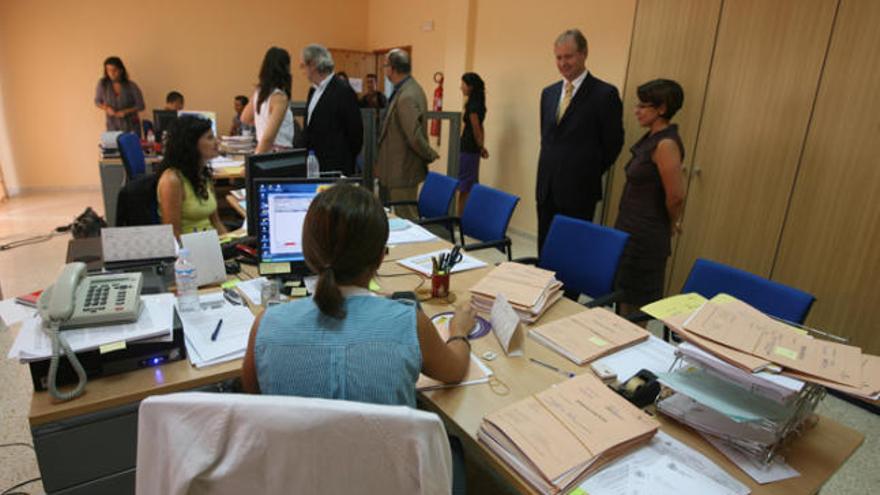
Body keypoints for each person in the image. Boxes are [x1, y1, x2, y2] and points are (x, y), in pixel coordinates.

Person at [241, 184, 471, 405]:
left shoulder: (266, 325)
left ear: (308, 253)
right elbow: (455, 370)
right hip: (384, 446)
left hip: (294, 446)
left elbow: (255, 404)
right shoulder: (408, 323)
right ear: (381, 257)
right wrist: (459, 330)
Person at [536, 29, 624, 254]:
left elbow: (613, 144)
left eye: (569, 56)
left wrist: (587, 169)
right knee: (545, 248)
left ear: (584, 54)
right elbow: (547, 138)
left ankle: (568, 291)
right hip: (547, 188)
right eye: (558, 57)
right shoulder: (549, 93)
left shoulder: (604, 94)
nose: (563, 63)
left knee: (571, 252)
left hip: (579, 189)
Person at [615, 79, 685, 316]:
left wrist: (673, 222)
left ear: (662, 109)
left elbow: (675, 196)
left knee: (637, 303)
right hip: (631, 227)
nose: (637, 110)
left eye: (643, 106)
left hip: (647, 234)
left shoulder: (666, 144)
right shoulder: (650, 138)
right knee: (624, 293)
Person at [375, 48, 439, 220]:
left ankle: (415, 248)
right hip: (394, 169)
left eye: (385, 65)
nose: (384, 69)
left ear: (393, 68)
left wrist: (429, 155)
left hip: (403, 170)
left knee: (407, 219)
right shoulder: (403, 89)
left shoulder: (407, 95)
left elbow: (413, 135)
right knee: (395, 218)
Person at [156, 115, 228, 238]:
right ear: (191, 144)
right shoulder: (172, 180)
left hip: (212, 245)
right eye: (210, 138)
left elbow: (216, 222)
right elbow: (174, 235)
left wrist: (232, 243)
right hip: (190, 251)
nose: (217, 142)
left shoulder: (203, 174)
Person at [301, 44, 364, 176]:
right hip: (314, 166)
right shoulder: (313, 90)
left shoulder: (343, 91)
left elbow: (356, 134)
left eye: (304, 66)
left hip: (336, 168)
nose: (303, 70)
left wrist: (344, 161)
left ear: (313, 65)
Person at [240, 47, 295, 153]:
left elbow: (244, 118)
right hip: (276, 153)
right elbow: (269, 138)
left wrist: (264, 123)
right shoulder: (279, 97)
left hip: (264, 148)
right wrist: (255, 161)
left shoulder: (259, 92)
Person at [457, 72, 489, 214]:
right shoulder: (476, 102)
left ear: (470, 86)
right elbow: (478, 127)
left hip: (469, 148)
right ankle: (460, 218)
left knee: (467, 186)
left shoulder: (473, 104)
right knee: (466, 184)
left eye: (463, 84)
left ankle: (461, 217)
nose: (461, 87)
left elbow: (477, 127)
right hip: (468, 147)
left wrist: (481, 146)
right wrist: (481, 145)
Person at [94, 56, 145, 136]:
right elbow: (97, 101)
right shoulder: (103, 84)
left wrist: (126, 111)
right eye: (108, 70)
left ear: (121, 70)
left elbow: (141, 105)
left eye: (114, 70)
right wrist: (106, 108)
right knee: (113, 147)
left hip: (131, 127)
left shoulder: (131, 86)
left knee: (130, 148)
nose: (111, 73)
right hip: (112, 127)